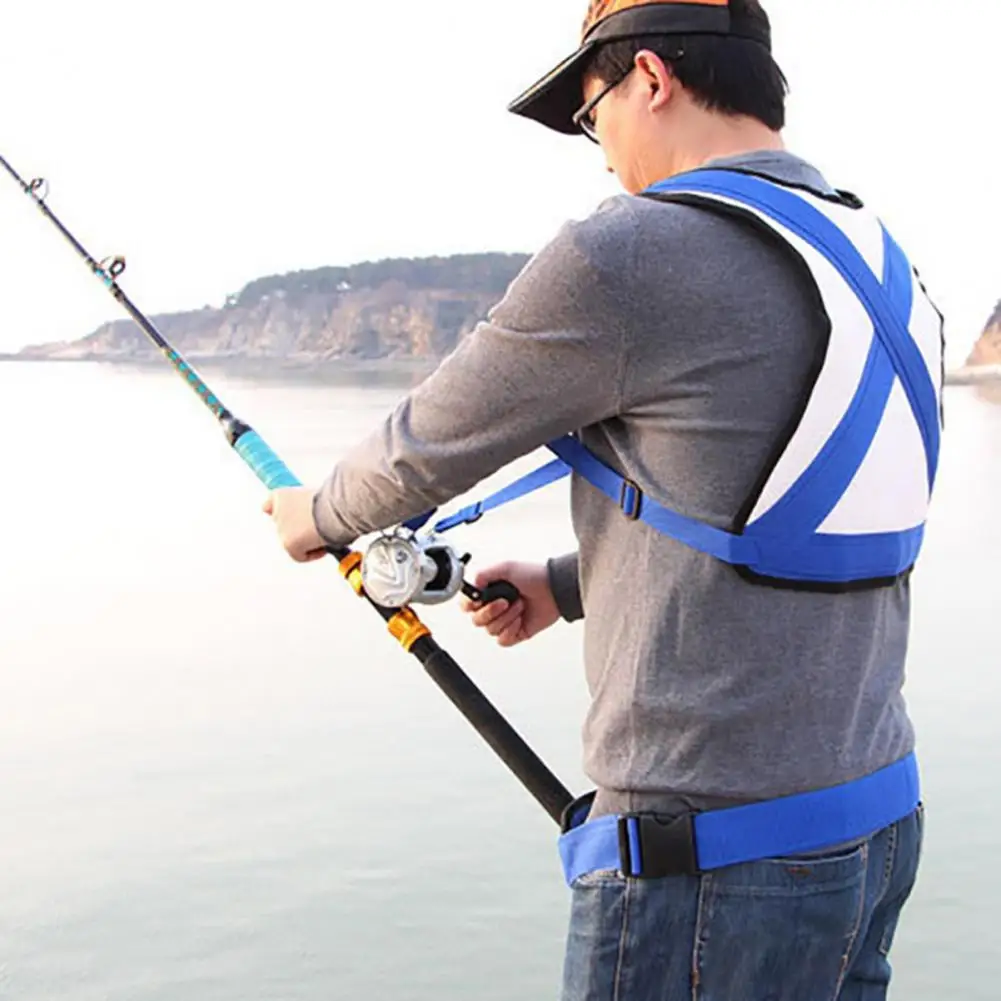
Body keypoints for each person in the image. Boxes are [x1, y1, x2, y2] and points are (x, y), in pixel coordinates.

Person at [263, 1, 943, 997]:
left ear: (652, 79)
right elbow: (815, 513)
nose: (602, 153)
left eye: (592, 116)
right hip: (876, 820)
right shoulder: (886, 264)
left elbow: (419, 450)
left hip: (710, 859)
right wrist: (565, 581)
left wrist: (312, 515)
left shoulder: (630, 250)